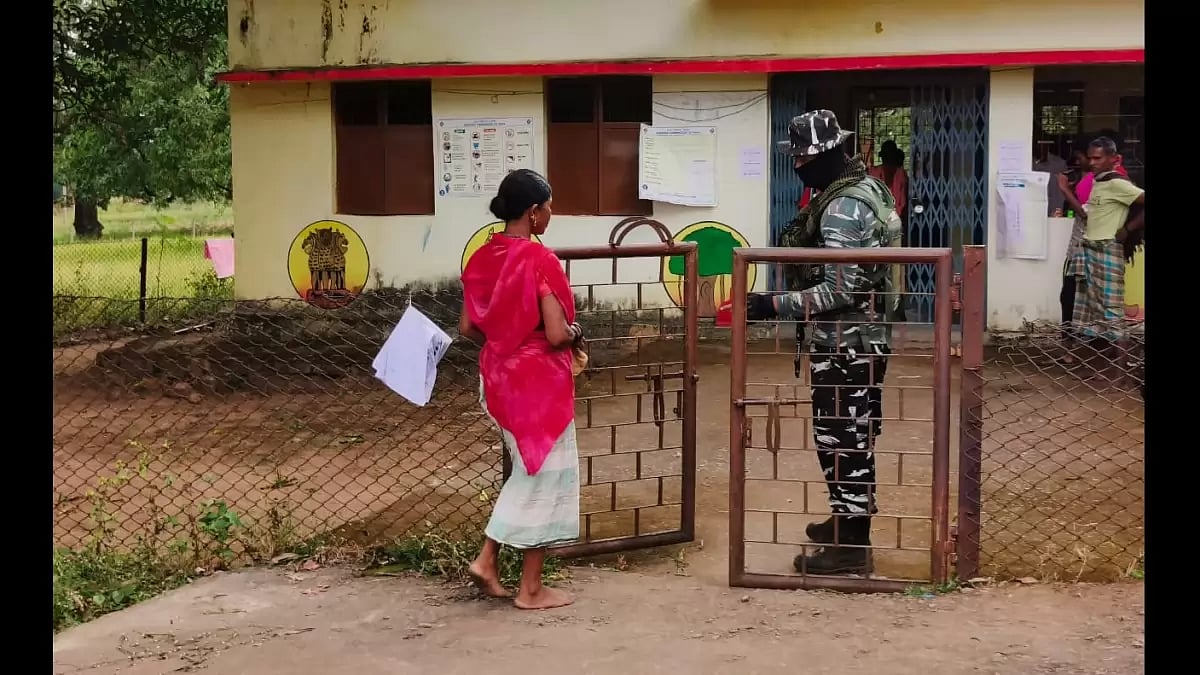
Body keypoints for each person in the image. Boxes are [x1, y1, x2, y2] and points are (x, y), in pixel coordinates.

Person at [747, 110, 903, 575]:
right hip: (865, 338)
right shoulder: (868, 187)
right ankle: (845, 521)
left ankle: (851, 549)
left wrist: (772, 306)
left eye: (800, 156)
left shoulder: (840, 206)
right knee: (850, 436)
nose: (796, 164)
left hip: (847, 344)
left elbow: (839, 289)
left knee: (843, 441)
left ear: (823, 155)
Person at [458, 169, 583, 610]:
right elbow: (554, 334)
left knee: (531, 472)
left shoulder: (481, 257)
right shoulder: (538, 259)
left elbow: (468, 326)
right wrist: (574, 330)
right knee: (545, 477)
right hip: (538, 384)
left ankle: (492, 563)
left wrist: (504, 343)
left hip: (496, 378)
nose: (550, 214)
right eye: (548, 207)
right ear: (533, 213)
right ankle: (528, 587)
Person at [1069, 137, 1144, 365]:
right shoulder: (1099, 182)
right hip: (1091, 250)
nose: (1092, 162)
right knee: (1096, 310)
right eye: (1090, 157)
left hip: (1108, 250)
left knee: (1112, 311)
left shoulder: (1117, 183)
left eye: (1098, 158)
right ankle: (1111, 369)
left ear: (1113, 159)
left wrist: (1128, 228)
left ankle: (1120, 376)